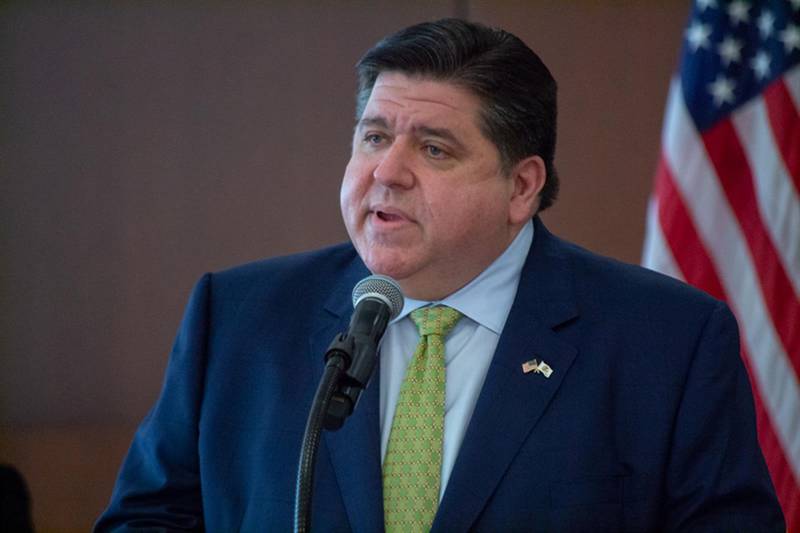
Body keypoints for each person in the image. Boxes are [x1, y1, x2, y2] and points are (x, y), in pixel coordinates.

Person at [96, 18, 785, 531]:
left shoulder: (667, 342)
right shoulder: (239, 317)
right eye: (373, 136)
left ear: (522, 186)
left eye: (433, 147)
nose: (386, 171)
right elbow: (146, 520)